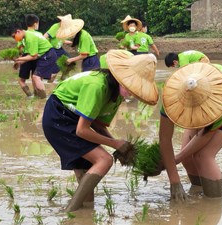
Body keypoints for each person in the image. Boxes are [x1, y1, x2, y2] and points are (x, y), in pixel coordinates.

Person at [42, 50, 158, 212]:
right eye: (129, 84)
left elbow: (97, 124)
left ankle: (84, 216)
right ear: (119, 76)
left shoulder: (117, 93)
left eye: (136, 87)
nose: (132, 91)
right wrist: (115, 143)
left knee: (88, 181)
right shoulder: (97, 86)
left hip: (73, 119)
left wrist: (117, 145)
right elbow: (82, 131)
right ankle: (70, 212)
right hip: (59, 117)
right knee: (104, 160)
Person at [155, 62, 222, 201]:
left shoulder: (219, 100)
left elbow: (206, 134)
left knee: (204, 156)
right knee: (187, 157)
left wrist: (175, 159)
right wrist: (174, 182)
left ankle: (213, 204)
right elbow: (164, 139)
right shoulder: (170, 97)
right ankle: (198, 192)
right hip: (200, 91)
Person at [11, 14, 59, 98]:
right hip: (44, 55)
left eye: (14, 36)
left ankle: (43, 99)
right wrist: (19, 61)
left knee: (36, 77)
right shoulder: (29, 35)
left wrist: (19, 59)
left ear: (18, 31)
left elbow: (33, 56)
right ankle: (39, 97)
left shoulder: (30, 37)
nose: (15, 39)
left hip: (48, 55)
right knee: (36, 77)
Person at [44, 14, 74, 81]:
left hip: (60, 50)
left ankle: (62, 78)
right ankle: (49, 83)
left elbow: (61, 40)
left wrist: (71, 43)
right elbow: (45, 36)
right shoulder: (55, 27)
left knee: (71, 63)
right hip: (53, 50)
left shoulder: (63, 29)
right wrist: (47, 49)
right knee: (54, 72)